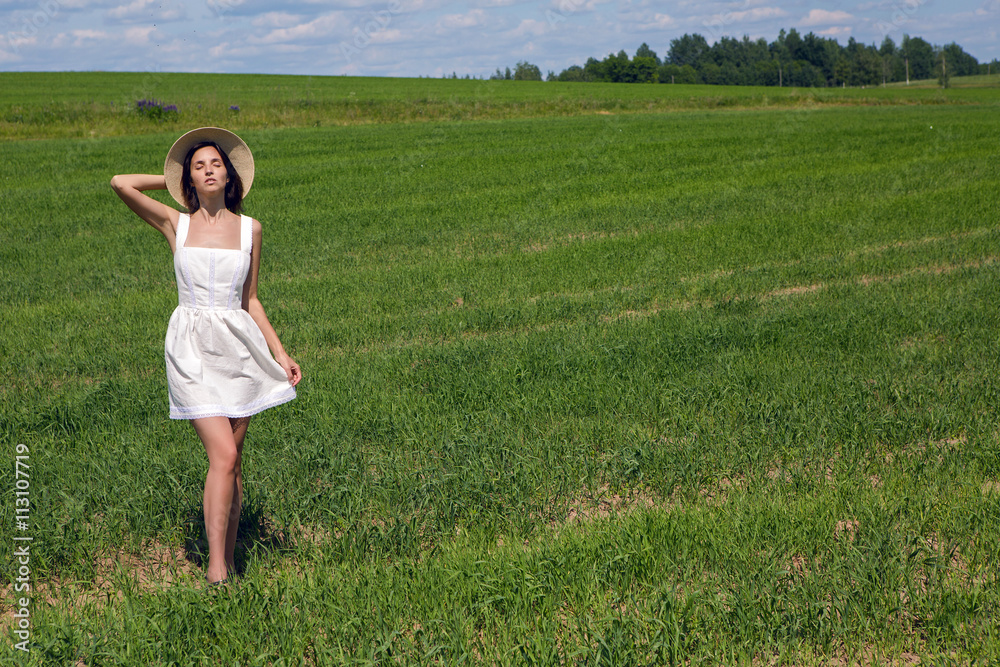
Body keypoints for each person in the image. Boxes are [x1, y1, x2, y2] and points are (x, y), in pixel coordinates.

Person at [111, 127, 301, 585]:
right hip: (191, 348)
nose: (209, 170)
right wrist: (173, 180)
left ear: (229, 173)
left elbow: (250, 300)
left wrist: (280, 351)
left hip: (240, 351)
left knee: (233, 459)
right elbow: (121, 183)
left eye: (216, 163)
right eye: (198, 166)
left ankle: (230, 561)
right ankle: (217, 570)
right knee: (222, 454)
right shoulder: (177, 223)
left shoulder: (250, 229)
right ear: (189, 181)